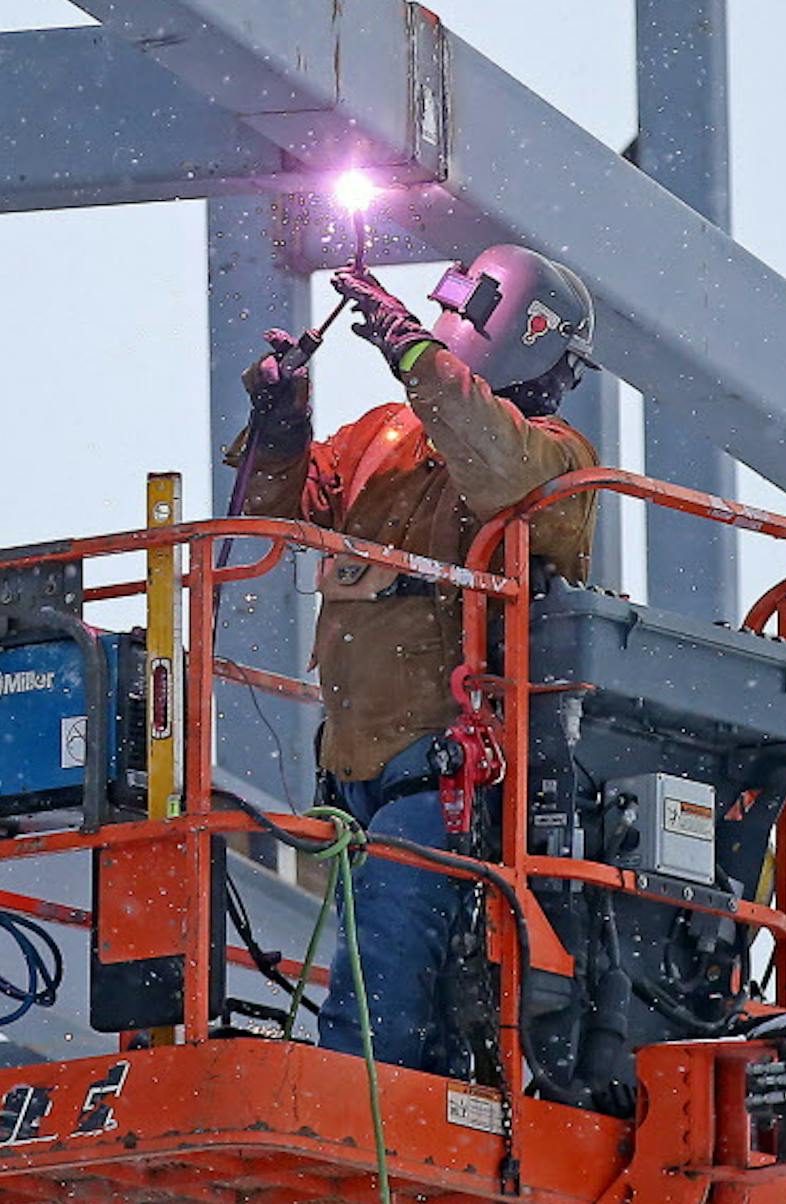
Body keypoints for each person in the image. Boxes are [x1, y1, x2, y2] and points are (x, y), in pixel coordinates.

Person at [232, 245, 601, 1074]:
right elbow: (269, 516)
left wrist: (411, 351)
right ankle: (385, 1107)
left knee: (382, 981)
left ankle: (368, 1118)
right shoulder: (384, 439)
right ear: (530, 340)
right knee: (387, 966)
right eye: (566, 367)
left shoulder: (560, 461)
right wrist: (281, 424)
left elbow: (497, 465)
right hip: (361, 778)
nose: (564, 388)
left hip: (456, 775)